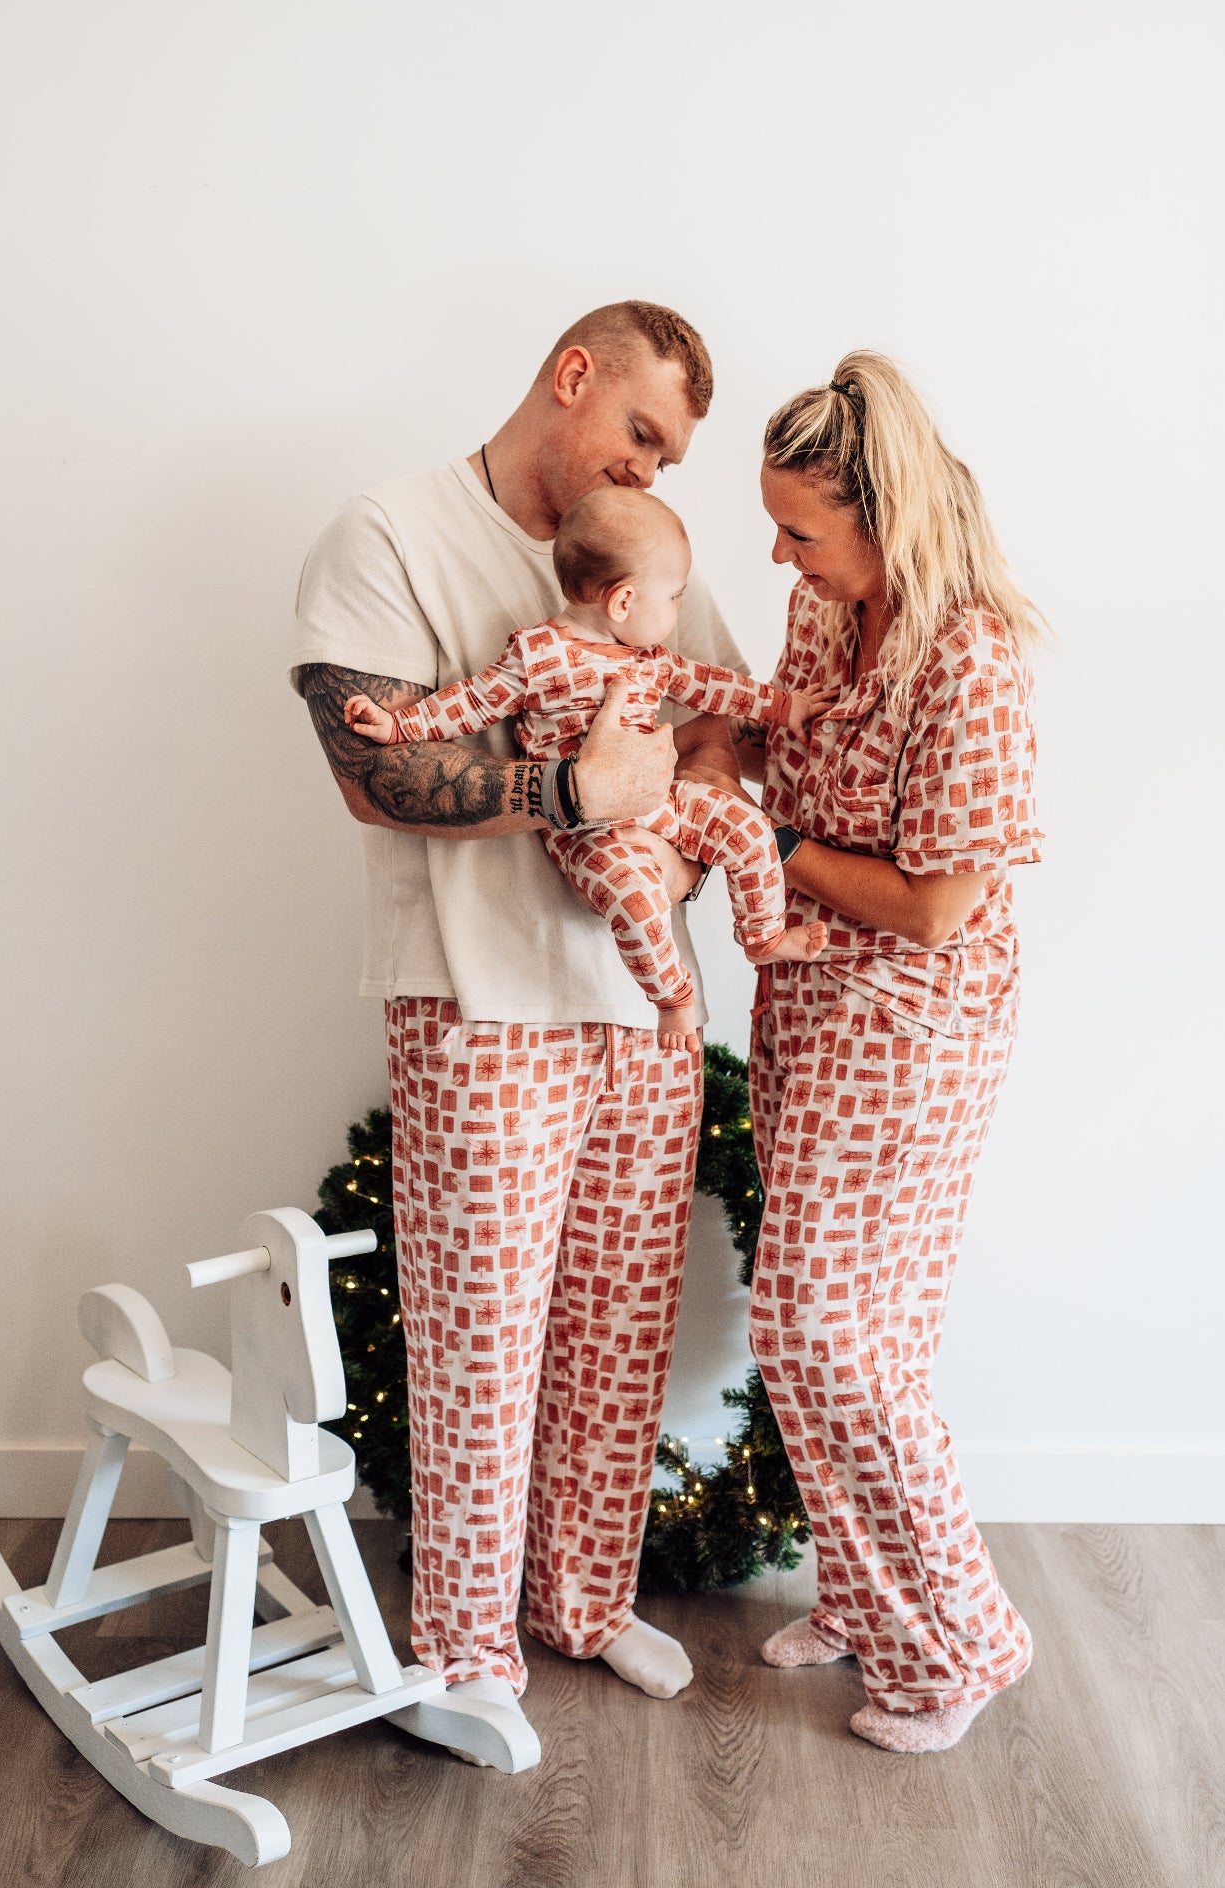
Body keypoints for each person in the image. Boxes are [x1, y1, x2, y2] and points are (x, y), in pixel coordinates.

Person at [290, 301, 740, 1753]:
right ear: (572, 379)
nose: (653, 477)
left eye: (671, 459)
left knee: (619, 1322)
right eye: (643, 436)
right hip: (479, 1006)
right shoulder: (388, 533)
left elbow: (716, 711)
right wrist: (564, 797)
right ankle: (466, 1646)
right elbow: (372, 770)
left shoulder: (640, 558)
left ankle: (585, 1601)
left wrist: (668, 848)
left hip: (641, 1002)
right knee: (481, 1334)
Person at [729, 350, 1044, 1754]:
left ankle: (968, 1639)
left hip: (914, 1026)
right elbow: (781, 746)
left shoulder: (969, 659)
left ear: (885, 515)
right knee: (814, 1334)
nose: (779, 552)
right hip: (805, 997)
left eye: (801, 526)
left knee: (839, 1337)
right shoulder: (818, 607)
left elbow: (934, 904)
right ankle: (864, 1601)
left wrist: (774, 845)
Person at [342, 483, 830, 1053]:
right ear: (623, 602)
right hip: (589, 832)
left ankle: (764, 935)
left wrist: (782, 706)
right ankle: (673, 998)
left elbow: (712, 685)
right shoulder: (540, 656)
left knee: (748, 830)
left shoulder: (650, 661)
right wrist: (398, 725)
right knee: (635, 897)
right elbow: (471, 701)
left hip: (661, 799)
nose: (678, 609)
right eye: (673, 596)